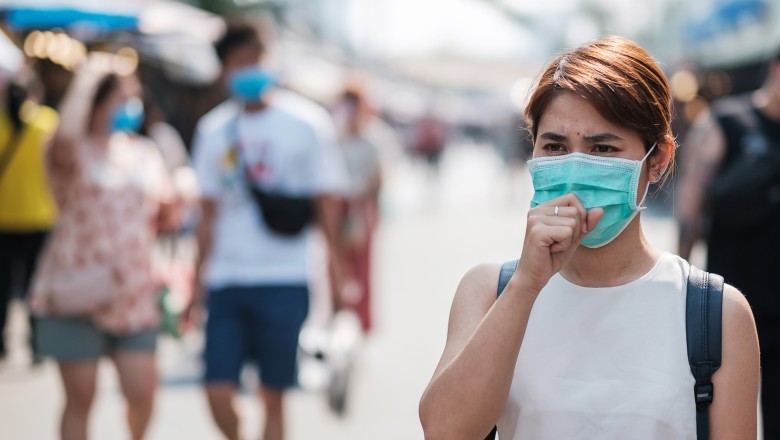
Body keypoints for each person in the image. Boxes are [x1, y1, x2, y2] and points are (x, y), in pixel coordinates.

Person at [419, 36, 759, 439]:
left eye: (602, 148)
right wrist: (527, 285)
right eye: (555, 146)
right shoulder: (490, 291)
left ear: (658, 160)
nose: (575, 168)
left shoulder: (715, 314)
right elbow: (445, 431)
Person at [191, 22, 347, 440]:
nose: (249, 70)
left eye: (255, 60)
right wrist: (195, 283)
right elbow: (206, 213)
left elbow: (326, 203)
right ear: (223, 71)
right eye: (238, 63)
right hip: (226, 277)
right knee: (217, 389)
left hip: (286, 276)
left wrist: (335, 269)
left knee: (272, 394)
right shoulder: (212, 130)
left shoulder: (308, 123)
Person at [28, 54, 175, 440]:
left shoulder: (144, 153)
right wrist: (90, 76)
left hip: (133, 294)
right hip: (76, 289)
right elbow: (65, 137)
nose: (130, 105)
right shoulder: (69, 149)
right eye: (120, 97)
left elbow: (163, 209)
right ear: (95, 102)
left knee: (142, 392)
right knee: (81, 398)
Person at [677, 49, 780, 437]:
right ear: (774, 68)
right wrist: (679, 284)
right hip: (731, 306)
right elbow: (690, 207)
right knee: (722, 421)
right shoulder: (727, 121)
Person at [0, 73, 58, 364]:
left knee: (3, 284)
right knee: (36, 285)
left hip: (4, 216)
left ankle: (2, 343)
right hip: (38, 215)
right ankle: (37, 344)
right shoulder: (46, 122)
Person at [330, 84, 384, 332]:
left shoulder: (371, 141)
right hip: (334, 205)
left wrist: (364, 206)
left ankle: (361, 320)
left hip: (360, 206)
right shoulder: (333, 138)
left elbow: (377, 179)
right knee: (334, 262)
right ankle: (337, 310)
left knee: (361, 265)